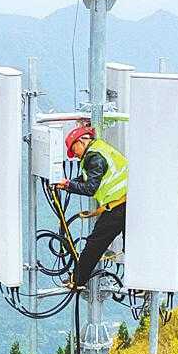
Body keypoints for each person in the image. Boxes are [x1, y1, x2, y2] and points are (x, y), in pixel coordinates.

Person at [51, 120, 128, 290]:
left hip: (118, 205)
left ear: (81, 141)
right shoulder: (99, 149)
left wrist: (69, 185)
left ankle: (77, 280)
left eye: (73, 150)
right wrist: (67, 184)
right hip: (130, 202)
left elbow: (91, 188)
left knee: (94, 244)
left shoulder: (94, 156)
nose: (74, 155)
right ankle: (140, 283)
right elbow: (91, 179)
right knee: (132, 245)